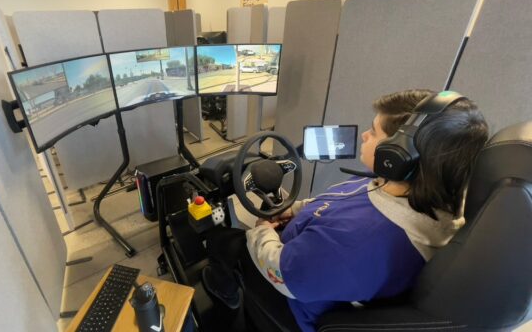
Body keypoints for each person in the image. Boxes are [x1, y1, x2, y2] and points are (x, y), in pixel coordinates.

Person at [201, 89, 489, 332]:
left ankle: (226, 297)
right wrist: (297, 209)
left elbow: (282, 274)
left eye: (374, 132)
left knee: (225, 242)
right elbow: (339, 200)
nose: (364, 135)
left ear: (398, 158)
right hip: (313, 260)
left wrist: (262, 232)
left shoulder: (360, 242)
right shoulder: (401, 187)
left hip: (294, 300)